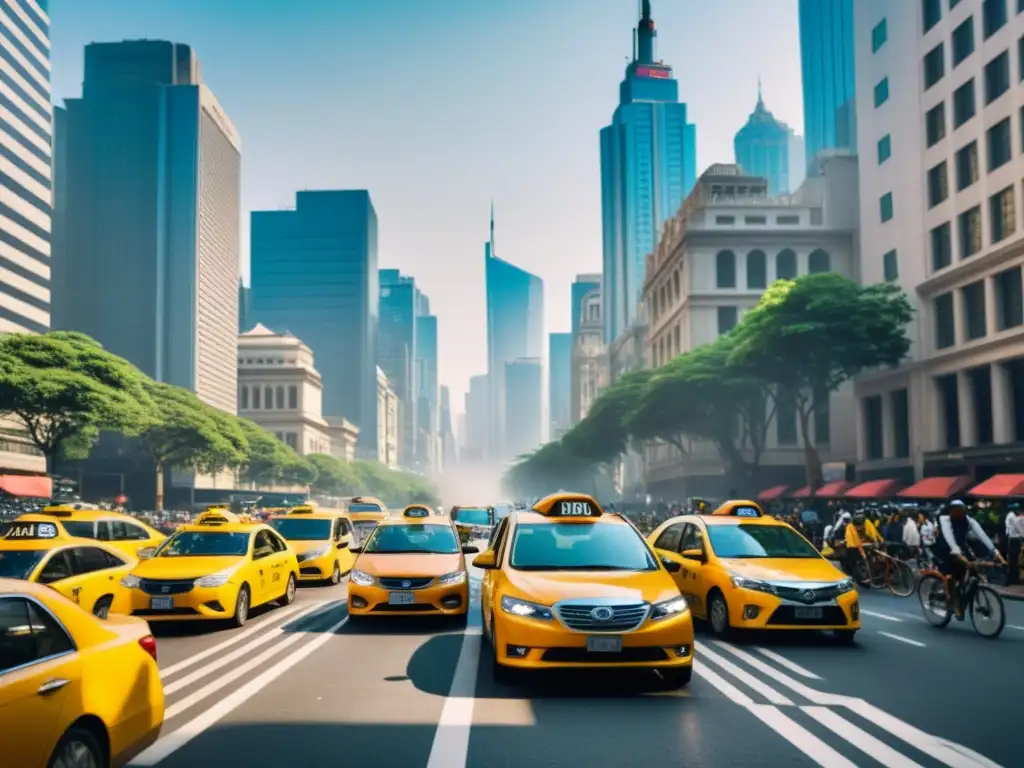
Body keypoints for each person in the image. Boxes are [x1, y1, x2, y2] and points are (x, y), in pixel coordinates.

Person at [932, 500, 1004, 618]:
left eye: (961, 510)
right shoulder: (944, 520)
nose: (958, 513)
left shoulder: (969, 521)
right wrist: (957, 553)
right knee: (951, 575)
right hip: (944, 550)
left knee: (973, 571)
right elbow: (949, 538)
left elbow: (982, 536)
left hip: (960, 550)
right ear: (951, 511)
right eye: (955, 510)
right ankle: (954, 603)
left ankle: (962, 596)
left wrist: (995, 553)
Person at [843, 510, 882, 578]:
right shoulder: (851, 527)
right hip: (853, 548)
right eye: (857, 527)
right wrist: (864, 556)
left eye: (859, 527)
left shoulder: (867, 523)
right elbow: (857, 543)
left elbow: (873, 535)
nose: (858, 528)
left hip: (858, 546)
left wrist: (876, 542)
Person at [1005, 503, 1022, 586]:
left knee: (1014, 560)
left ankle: (1013, 578)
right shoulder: (1011, 516)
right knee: (1013, 560)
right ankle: (1011, 579)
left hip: (1014, 539)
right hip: (1013, 539)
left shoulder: (1014, 516)